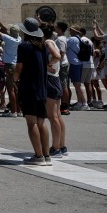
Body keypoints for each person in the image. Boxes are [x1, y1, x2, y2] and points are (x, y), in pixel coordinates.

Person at [14, 18, 51, 166]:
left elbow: (19, 67)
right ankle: (46, 155)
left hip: (29, 87)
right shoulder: (44, 46)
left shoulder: (23, 46)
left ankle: (38, 155)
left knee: (31, 123)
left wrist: (15, 80)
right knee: (41, 122)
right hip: (42, 88)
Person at [42, 24, 67, 157]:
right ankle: (61, 146)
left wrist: (47, 65)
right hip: (55, 80)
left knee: (52, 117)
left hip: (50, 80)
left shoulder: (47, 42)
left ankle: (56, 147)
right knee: (57, 116)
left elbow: (57, 56)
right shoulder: (53, 41)